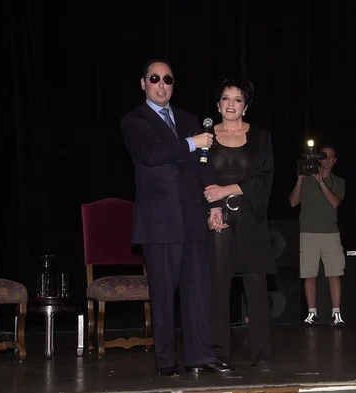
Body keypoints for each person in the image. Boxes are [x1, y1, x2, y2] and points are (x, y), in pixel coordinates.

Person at [121, 60, 233, 377]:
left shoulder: (187, 119)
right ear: (143, 83)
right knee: (163, 293)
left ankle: (199, 355)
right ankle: (166, 359)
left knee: (198, 292)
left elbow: (203, 164)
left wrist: (213, 205)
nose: (161, 84)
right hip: (160, 222)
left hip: (193, 216)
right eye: (154, 78)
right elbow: (150, 155)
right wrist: (190, 142)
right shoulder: (134, 121)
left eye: (167, 79)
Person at [203, 76, 274, 372]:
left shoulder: (260, 137)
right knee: (218, 287)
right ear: (218, 103)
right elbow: (200, 178)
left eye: (238, 99)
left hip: (251, 218)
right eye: (226, 98)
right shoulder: (205, 137)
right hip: (217, 219)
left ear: (246, 106)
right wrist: (213, 208)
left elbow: (265, 178)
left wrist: (228, 189)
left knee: (255, 287)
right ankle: (220, 354)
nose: (231, 104)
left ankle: (262, 355)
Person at [289, 146, 346, 326]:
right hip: (308, 232)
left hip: (330, 232)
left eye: (331, 157)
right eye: (324, 157)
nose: (327, 160)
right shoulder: (306, 180)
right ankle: (312, 313)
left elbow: (335, 202)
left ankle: (336, 314)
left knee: (334, 273)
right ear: (319, 160)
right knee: (309, 274)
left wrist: (321, 182)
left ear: (335, 161)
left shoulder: (338, 181)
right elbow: (292, 202)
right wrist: (299, 181)